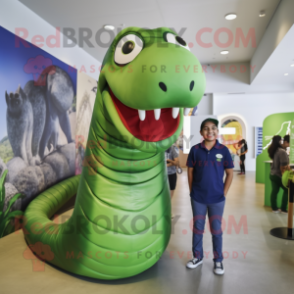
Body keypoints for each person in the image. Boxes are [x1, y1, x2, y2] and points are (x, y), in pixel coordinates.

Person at [186, 118, 234, 275]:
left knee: (216, 230)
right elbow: (190, 171)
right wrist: (192, 190)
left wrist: (224, 192)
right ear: (201, 132)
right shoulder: (195, 150)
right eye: (206, 128)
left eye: (213, 128)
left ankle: (218, 260)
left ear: (217, 131)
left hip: (217, 199)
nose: (210, 131)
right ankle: (197, 257)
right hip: (198, 198)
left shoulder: (224, 150)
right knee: (198, 229)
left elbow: (229, 173)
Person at [268, 135, 290, 214]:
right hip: (278, 175)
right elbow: (282, 168)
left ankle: (274, 208)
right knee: (287, 190)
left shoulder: (275, 150)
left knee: (275, 191)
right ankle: (284, 209)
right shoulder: (282, 151)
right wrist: (285, 178)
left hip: (272, 174)